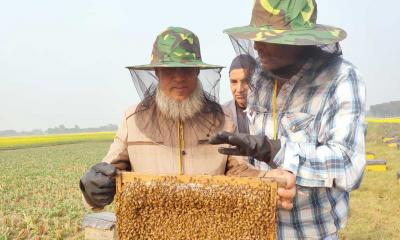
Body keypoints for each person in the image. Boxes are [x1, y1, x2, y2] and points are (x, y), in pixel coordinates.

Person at [79, 27, 295, 211]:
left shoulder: (221, 119)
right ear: (157, 72)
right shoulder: (132, 120)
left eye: (187, 69)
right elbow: (107, 174)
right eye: (170, 70)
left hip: (209, 228)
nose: (180, 77)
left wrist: (267, 179)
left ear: (197, 72)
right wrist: (92, 190)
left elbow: (237, 171)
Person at [210, 0, 366, 239]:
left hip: (312, 231)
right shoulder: (260, 79)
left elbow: (348, 164)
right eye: (257, 36)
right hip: (260, 227)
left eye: (269, 37)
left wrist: (277, 151)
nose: (257, 45)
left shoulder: (341, 79)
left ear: (301, 41)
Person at [224, 54, 257, 134]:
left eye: (245, 81)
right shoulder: (222, 114)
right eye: (234, 82)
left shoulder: (270, 111)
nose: (239, 89)